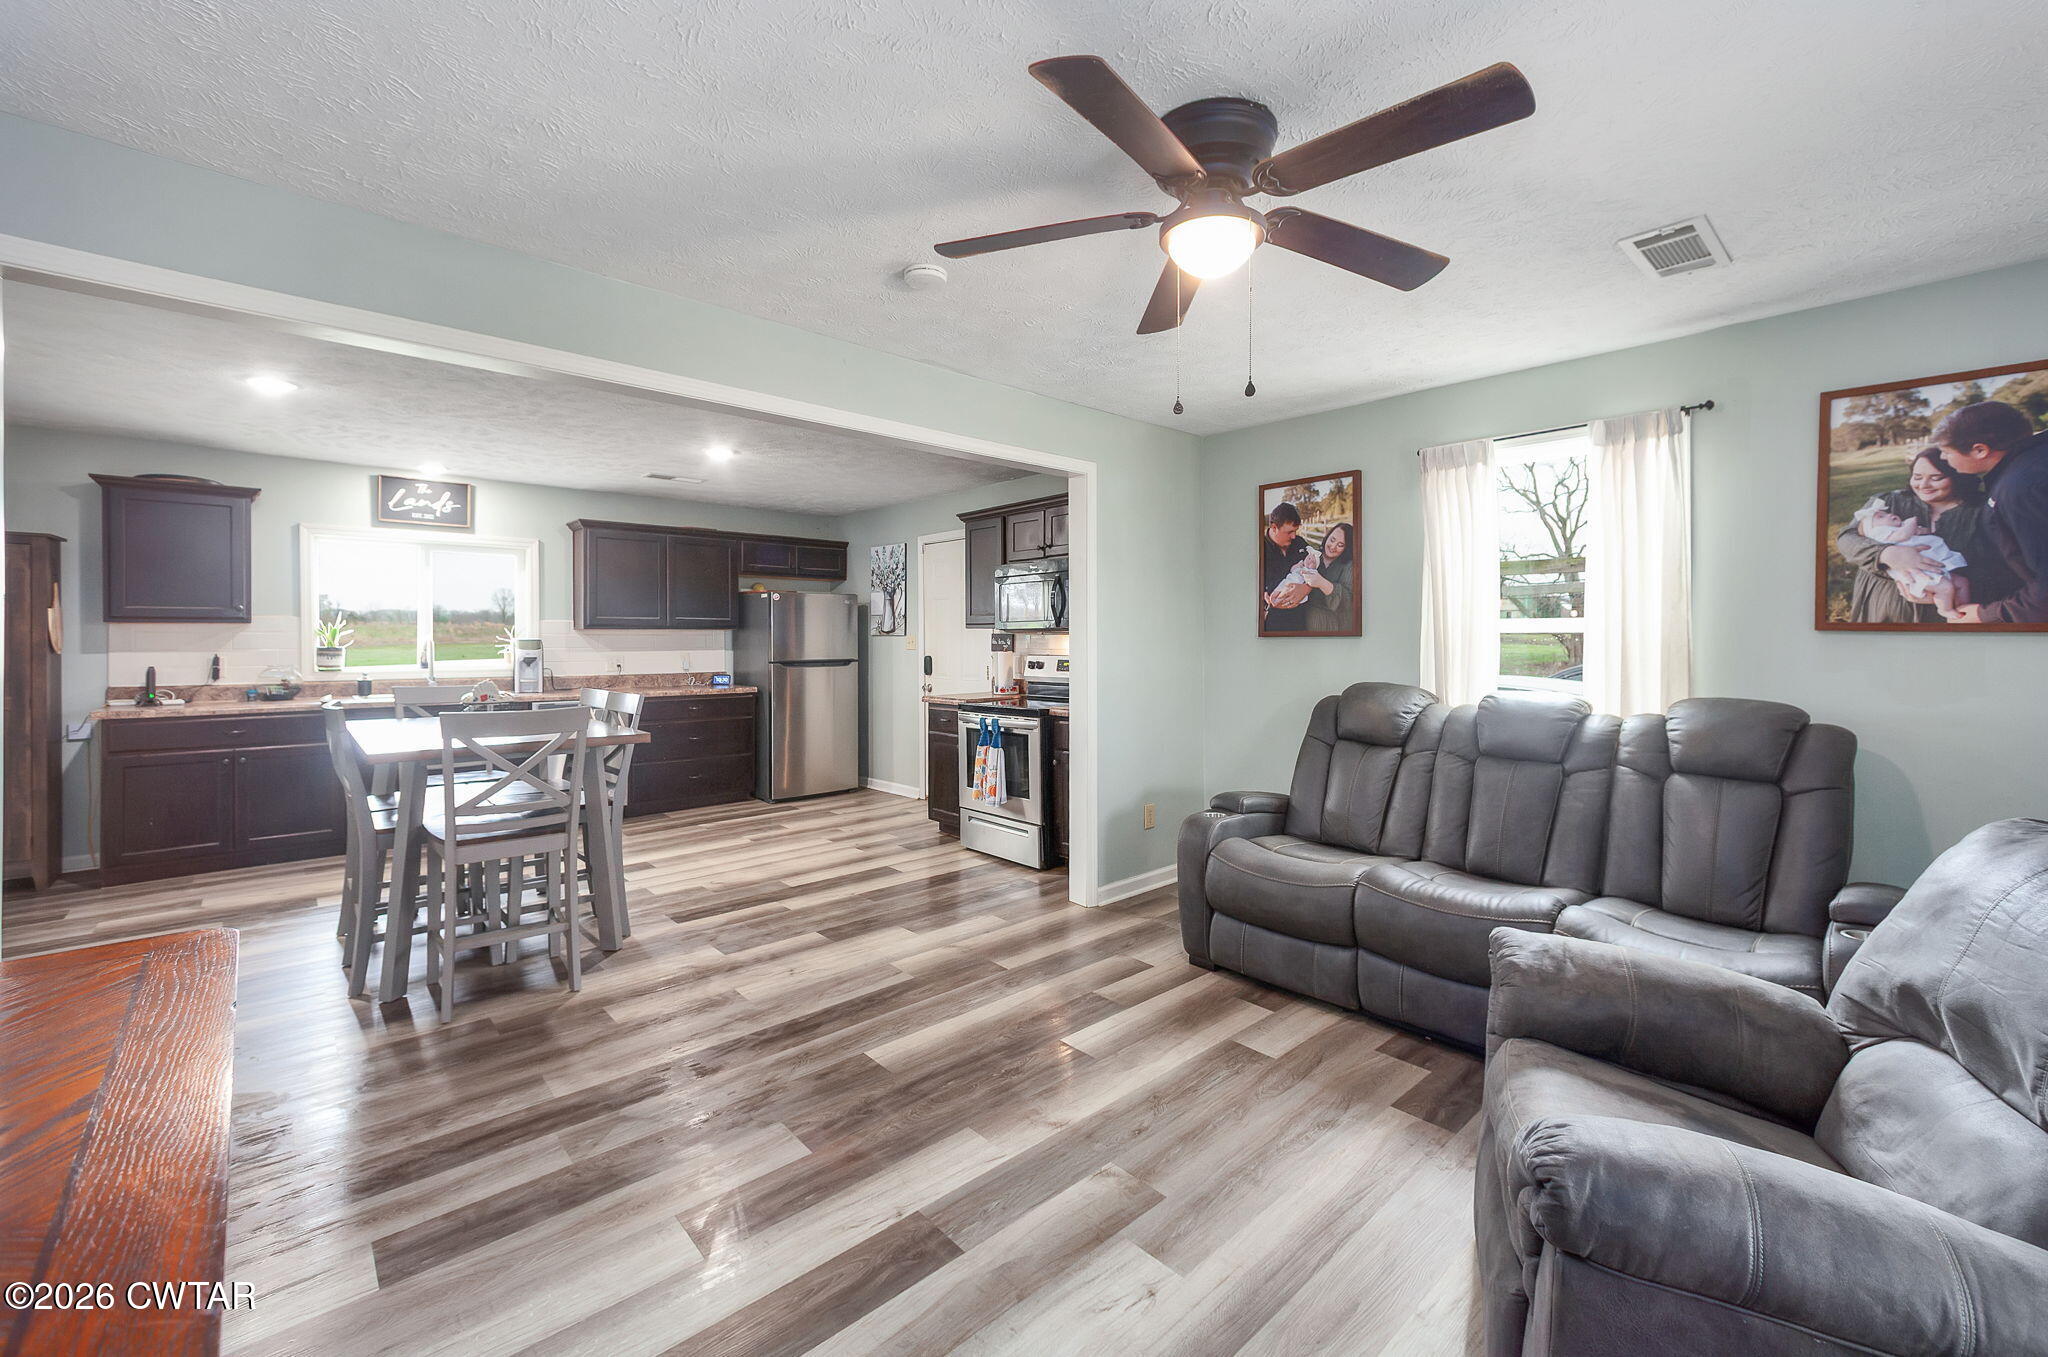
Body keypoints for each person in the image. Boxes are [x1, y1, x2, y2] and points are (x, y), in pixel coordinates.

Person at [1838, 447, 2012, 625]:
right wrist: (1886, 554)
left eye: (1936, 478)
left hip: (1950, 609)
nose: (1923, 485)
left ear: (1959, 477)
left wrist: (1946, 590)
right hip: (1887, 606)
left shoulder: (1982, 511)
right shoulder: (1889, 503)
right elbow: (1846, 538)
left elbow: (2001, 567)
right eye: (1917, 477)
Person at [1915, 400, 2048, 624]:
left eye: (1947, 452)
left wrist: (1986, 614)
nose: (1944, 458)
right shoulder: (2035, 461)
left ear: (1980, 450)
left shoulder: (2018, 490)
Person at [1261, 502, 1310, 631]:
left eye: (1296, 531)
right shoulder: (1258, 548)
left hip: (1301, 620)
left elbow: (1319, 568)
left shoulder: (1299, 543)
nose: (1294, 536)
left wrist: (1307, 588)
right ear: (1274, 527)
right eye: (1289, 532)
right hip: (1273, 624)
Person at [1300, 521, 1357, 632]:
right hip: (1309, 624)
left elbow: (1348, 602)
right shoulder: (1314, 557)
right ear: (1327, 536)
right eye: (1332, 540)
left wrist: (1321, 583)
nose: (1333, 547)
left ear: (1347, 547)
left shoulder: (1350, 566)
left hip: (1337, 625)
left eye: (1340, 545)